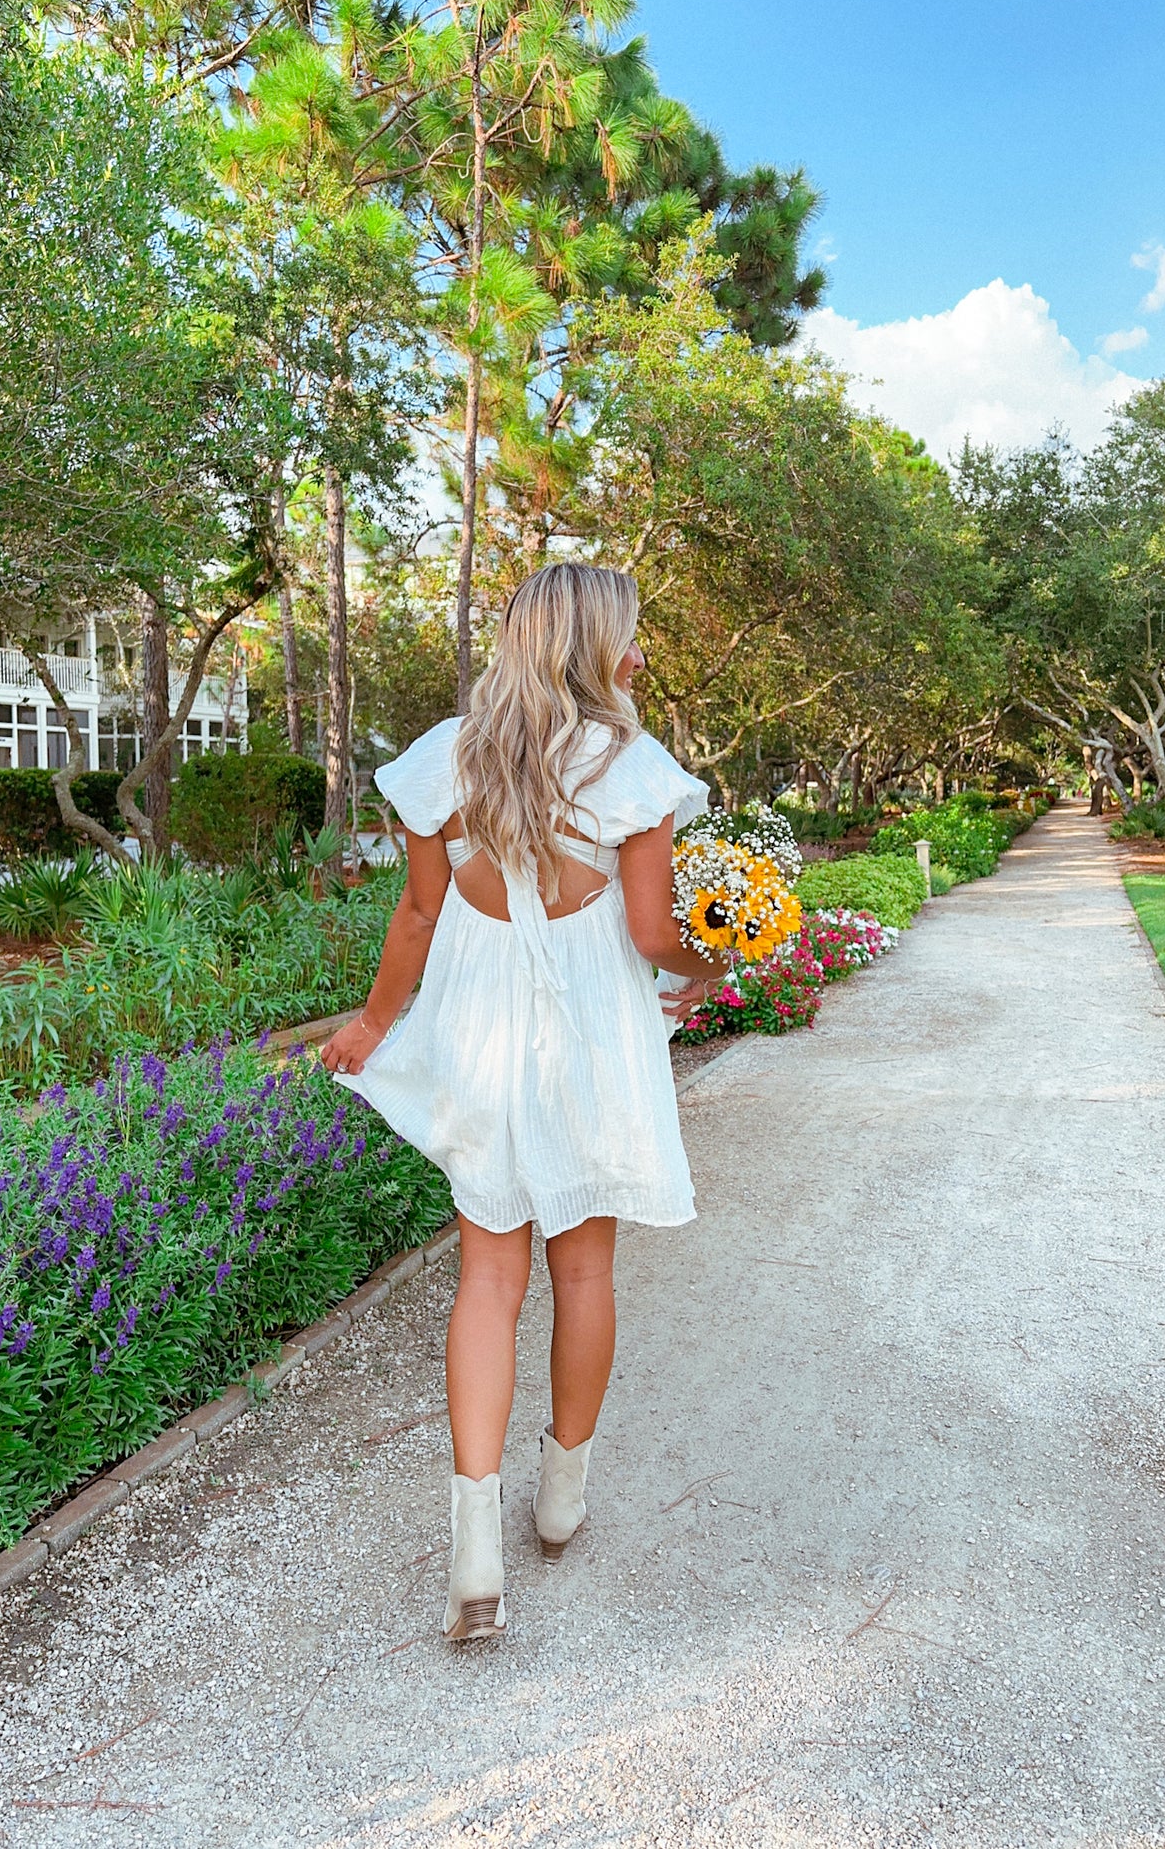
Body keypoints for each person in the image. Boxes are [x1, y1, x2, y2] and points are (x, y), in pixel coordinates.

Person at [321, 563, 724, 1641]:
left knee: (486, 1277)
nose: (639, 658)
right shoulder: (630, 767)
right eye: (630, 640)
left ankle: (473, 1551)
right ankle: (559, 1501)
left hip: (477, 1029)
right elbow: (647, 937)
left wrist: (369, 1025)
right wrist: (709, 964)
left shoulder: (446, 757)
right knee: (582, 1266)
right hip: (585, 1032)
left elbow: (416, 915)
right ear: (590, 647)